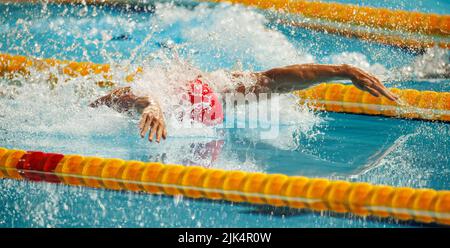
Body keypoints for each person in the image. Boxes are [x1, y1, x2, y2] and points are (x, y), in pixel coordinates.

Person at [89, 63, 398, 143]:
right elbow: (127, 95)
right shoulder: (162, 90)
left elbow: (275, 79)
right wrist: (152, 105)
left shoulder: (215, 89)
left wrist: (341, 71)